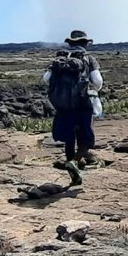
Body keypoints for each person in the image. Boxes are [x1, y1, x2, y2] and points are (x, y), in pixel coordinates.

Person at [43, 29, 103, 185]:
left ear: (70, 43)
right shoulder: (89, 58)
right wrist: (92, 90)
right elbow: (97, 82)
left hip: (64, 106)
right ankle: (75, 161)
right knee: (86, 139)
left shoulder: (59, 59)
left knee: (69, 138)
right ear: (85, 43)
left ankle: (73, 172)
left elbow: (46, 79)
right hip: (83, 105)